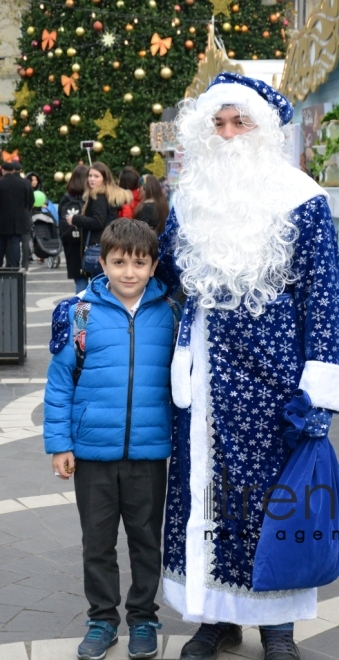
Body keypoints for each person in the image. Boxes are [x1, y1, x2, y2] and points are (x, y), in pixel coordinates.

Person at [156, 72, 339, 660]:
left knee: (271, 500)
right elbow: (167, 272)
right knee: (206, 499)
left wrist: (317, 395)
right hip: (206, 384)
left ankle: (277, 625)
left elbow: (323, 299)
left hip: (276, 384)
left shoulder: (302, 198)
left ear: (264, 129)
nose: (228, 133)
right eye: (217, 124)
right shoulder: (191, 199)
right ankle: (216, 616)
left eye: (240, 121)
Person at [44, 219, 178, 660]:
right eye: (118, 262)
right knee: (97, 542)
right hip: (92, 452)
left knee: (145, 540)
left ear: (154, 265)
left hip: (150, 452)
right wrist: (60, 444)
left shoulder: (171, 312)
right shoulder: (79, 312)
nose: (128, 272)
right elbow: (60, 382)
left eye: (140, 263)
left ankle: (143, 618)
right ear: (102, 262)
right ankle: (102, 619)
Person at [66, 162, 132, 277]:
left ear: (104, 178)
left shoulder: (98, 196)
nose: (92, 179)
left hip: (98, 245)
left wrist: (75, 219)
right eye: (90, 176)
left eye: (96, 176)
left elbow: (97, 222)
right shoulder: (109, 194)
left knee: (99, 283)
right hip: (109, 243)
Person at [58, 165, 89, 293]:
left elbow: (61, 221)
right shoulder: (91, 198)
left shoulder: (66, 199)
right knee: (98, 281)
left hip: (72, 246)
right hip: (89, 243)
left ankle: (81, 312)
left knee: (80, 282)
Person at [0, 161, 34, 267]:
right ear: (13, 170)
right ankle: (15, 265)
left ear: (3, 170)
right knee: (15, 242)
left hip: (2, 219)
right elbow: (31, 200)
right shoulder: (25, 183)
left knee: (1, 242)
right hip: (19, 219)